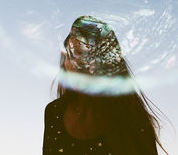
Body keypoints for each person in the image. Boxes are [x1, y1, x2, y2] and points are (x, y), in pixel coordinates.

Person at [43, 16, 169, 155]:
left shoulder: (133, 119)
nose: (74, 62)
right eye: (69, 54)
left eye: (83, 53)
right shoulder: (54, 112)